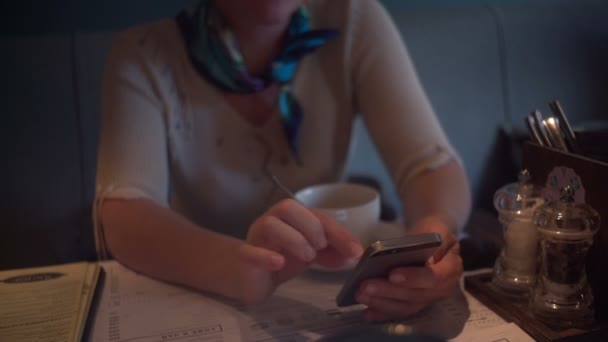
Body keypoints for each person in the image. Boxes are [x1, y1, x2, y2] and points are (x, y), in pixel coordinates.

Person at [95, 0, 471, 322]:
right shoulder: (146, 54)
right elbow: (125, 215)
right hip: (205, 297)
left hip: (331, 296)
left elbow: (432, 166)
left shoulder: (352, 18)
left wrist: (431, 245)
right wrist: (238, 267)